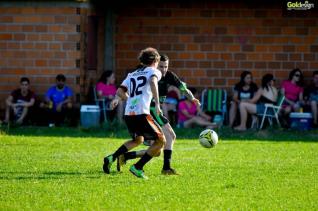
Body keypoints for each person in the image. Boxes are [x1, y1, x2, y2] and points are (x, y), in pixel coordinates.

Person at [116, 54, 201, 175]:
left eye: (166, 66)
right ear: (156, 65)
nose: (164, 69)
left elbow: (183, 88)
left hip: (154, 110)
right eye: (161, 66)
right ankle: (166, 168)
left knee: (158, 150)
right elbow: (131, 89)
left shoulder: (169, 75)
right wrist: (117, 98)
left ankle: (126, 156)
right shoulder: (151, 74)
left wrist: (192, 99)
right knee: (171, 136)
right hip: (149, 110)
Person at [103, 47, 165, 179]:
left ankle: (111, 157)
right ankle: (138, 167)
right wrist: (158, 104)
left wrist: (126, 100)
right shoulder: (154, 71)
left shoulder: (132, 74)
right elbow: (153, 82)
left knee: (138, 140)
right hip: (142, 113)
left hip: (129, 113)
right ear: (155, 61)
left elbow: (119, 91)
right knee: (161, 141)